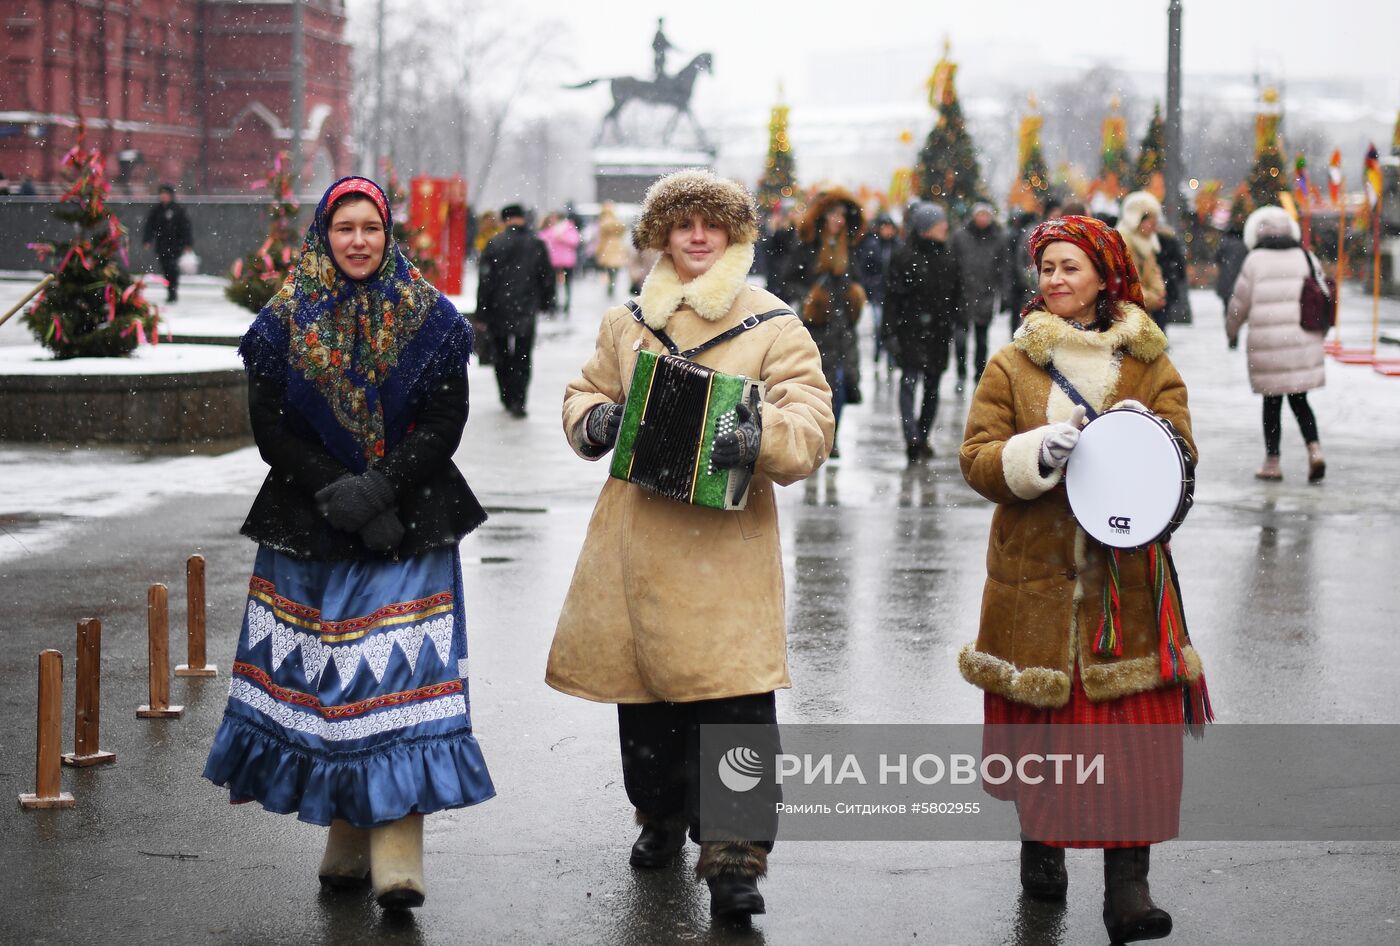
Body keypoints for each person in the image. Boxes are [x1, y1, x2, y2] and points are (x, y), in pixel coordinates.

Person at [547, 169, 833, 922]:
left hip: (725, 555)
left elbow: (809, 424)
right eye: (682, 224)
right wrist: (597, 422)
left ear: (734, 234)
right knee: (647, 707)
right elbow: (582, 394)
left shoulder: (773, 324)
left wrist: (759, 432)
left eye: (712, 223)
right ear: (661, 236)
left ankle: (737, 855)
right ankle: (661, 816)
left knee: (734, 705)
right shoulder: (627, 321)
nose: (697, 236)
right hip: (636, 548)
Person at [203, 176, 495, 912]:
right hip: (311, 519)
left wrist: (383, 488)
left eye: (371, 226)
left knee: (396, 682)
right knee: (327, 673)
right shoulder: (282, 322)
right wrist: (343, 493)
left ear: (388, 232)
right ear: (324, 235)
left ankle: (397, 847)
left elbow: (444, 421)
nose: (359, 240)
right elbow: (273, 431)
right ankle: (343, 828)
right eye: (345, 227)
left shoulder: (432, 319)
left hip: (412, 520)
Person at [960, 214, 1211, 946]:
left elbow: (1185, 457)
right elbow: (977, 460)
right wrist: (1037, 452)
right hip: (1033, 582)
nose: (1056, 280)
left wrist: (1150, 439)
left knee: (1130, 743)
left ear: (1106, 276)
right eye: (1047, 269)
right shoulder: (1012, 365)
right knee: (1050, 732)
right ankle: (1041, 845)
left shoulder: (1149, 365)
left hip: (1126, 588)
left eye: (1071, 267)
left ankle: (1128, 890)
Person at [1226, 205, 1327, 482]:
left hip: (1267, 344)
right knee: (1300, 400)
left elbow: (1238, 304)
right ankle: (1314, 449)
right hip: (1300, 340)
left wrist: (1231, 330)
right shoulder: (1306, 257)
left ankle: (1272, 462)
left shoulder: (1255, 260)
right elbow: (1323, 295)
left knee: (1272, 405)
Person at [783, 187, 867, 458]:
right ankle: (815, 436)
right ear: (823, 216)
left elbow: (862, 277)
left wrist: (856, 294)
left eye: (842, 215)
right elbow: (787, 282)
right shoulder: (807, 246)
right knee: (816, 386)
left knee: (840, 384)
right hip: (814, 328)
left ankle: (832, 437)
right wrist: (808, 299)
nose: (838, 220)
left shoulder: (851, 246)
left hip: (842, 328)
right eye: (833, 214)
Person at [882, 201, 961, 464]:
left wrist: (957, 321)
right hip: (911, 333)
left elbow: (956, 295)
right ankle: (911, 437)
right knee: (909, 383)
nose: (945, 228)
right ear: (926, 228)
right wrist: (890, 332)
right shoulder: (905, 256)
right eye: (940, 224)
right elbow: (892, 298)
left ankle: (923, 435)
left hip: (938, 334)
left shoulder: (948, 256)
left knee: (933, 388)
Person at [476, 203, 555, 417]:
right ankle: (519, 401)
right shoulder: (536, 244)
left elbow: (485, 280)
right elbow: (547, 277)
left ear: (504, 220)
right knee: (523, 355)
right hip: (526, 308)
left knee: (501, 355)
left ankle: (506, 395)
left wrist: (481, 311)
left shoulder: (494, 244)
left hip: (498, 308)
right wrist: (547, 302)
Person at [951, 201, 1006, 389]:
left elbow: (1002, 268)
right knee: (960, 340)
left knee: (982, 340)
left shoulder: (998, 238)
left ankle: (978, 374)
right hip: (962, 295)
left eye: (986, 215)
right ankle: (961, 372)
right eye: (979, 215)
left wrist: (1001, 293)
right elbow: (952, 263)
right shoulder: (960, 237)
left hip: (985, 295)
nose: (983, 219)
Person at [1117, 191, 1169, 333]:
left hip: (1141, 314)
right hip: (1126, 319)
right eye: (1150, 221)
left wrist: (1157, 294)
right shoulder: (1123, 243)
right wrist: (1153, 298)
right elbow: (1126, 285)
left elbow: (1154, 273)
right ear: (1137, 219)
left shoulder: (1147, 243)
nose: (1154, 226)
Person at [857, 213, 900, 371]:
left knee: (889, 326)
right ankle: (878, 352)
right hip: (878, 292)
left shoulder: (897, 246)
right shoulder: (872, 245)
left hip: (891, 293)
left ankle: (889, 356)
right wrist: (870, 285)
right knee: (879, 324)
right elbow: (865, 268)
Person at [143, 184, 193, 303]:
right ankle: (170, 288)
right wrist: (147, 240)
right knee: (165, 267)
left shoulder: (178, 210)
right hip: (162, 245)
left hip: (176, 245)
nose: (164, 197)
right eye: (162, 194)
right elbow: (149, 226)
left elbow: (185, 227)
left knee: (172, 268)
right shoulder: (156, 210)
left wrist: (187, 243)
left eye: (166, 194)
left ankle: (173, 290)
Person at [540, 212, 581, 315]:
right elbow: (541, 240)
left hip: (567, 262)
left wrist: (562, 238)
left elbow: (575, 241)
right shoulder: (548, 230)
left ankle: (566, 305)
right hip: (553, 262)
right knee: (552, 286)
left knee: (567, 285)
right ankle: (553, 305)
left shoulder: (568, 228)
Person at [594, 201, 629, 298]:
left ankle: (610, 285)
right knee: (616, 268)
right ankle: (613, 284)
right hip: (618, 247)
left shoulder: (603, 223)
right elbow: (623, 233)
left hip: (607, 248)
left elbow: (602, 239)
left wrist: (598, 251)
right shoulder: (617, 221)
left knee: (608, 269)